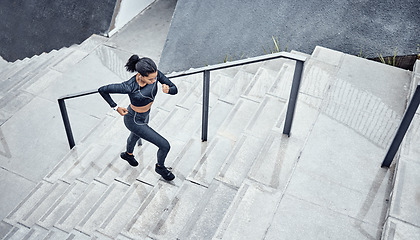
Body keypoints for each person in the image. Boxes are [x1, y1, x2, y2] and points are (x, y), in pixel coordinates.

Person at [98, 55, 178, 181]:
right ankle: (160, 167)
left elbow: (175, 89)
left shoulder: (155, 75)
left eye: (155, 77)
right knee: (164, 145)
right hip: (133, 119)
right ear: (141, 75)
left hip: (145, 115)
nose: (154, 80)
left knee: (135, 136)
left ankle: (128, 155)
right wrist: (116, 107)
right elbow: (102, 90)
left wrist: (168, 90)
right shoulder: (129, 86)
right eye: (150, 79)